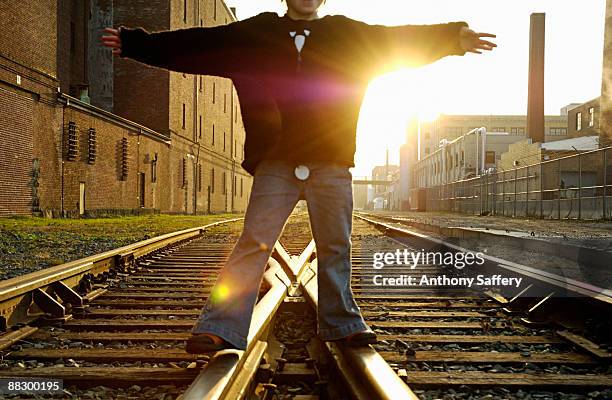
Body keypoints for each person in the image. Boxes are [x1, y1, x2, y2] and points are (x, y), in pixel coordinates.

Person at [102, 0, 496, 353]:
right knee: (254, 242)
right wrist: (137, 44)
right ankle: (220, 326)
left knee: (335, 245)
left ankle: (342, 323)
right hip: (276, 161)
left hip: (331, 161)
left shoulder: (349, 34)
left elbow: (398, 40)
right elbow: (198, 45)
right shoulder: (254, 33)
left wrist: (451, 38)